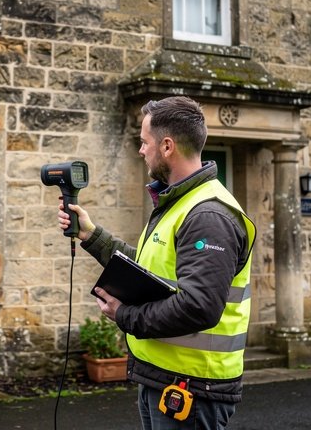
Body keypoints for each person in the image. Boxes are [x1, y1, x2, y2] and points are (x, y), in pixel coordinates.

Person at [57, 96, 256, 430]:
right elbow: (148, 269)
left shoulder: (207, 215)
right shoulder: (179, 202)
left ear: (166, 146)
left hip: (192, 387)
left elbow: (199, 307)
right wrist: (91, 235)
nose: (140, 150)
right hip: (165, 380)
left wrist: (125, 315)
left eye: (144, 142)